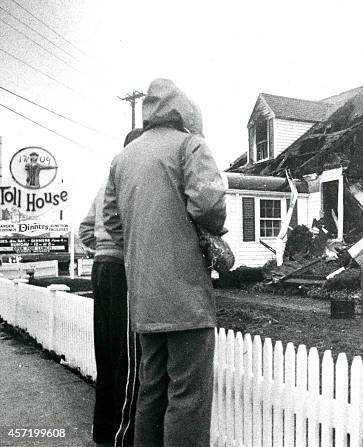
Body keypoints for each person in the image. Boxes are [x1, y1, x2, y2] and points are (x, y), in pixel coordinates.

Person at [103, 78, 226, 447]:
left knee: (151, 390)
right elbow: (209, 206)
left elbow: (111, 221)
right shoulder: (190, 145)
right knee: (187, 397)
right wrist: (211, 232)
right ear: (183, 112)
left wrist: (143, 247)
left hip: (144, 297)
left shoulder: (122, 159)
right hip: (186, 297)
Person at [79, 127, 143, 447]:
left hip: (100, 269)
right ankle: (123, 435)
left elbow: (85, 230)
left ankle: (102, 431)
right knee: (126, 357)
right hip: (121, 269)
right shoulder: (131, 181)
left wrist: (100, 249)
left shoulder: (106, 182)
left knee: (105, 352)